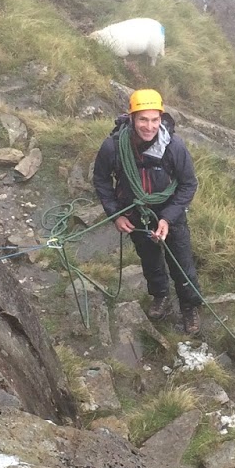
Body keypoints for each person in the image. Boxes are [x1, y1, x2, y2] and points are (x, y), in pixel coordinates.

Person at [92, 89, 202, 332]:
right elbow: (101, 180)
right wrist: (116, 214)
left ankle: (189, 306)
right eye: (143, 119)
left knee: (182, 264)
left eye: (154, 120)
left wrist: (168, 217)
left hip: (170, 214)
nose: (149, 126)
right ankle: (160, 295)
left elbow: (188, 184)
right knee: (150, 261)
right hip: (135, 215)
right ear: (132, 118)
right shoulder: (114, 147)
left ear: (161, 119)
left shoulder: (174, 147)